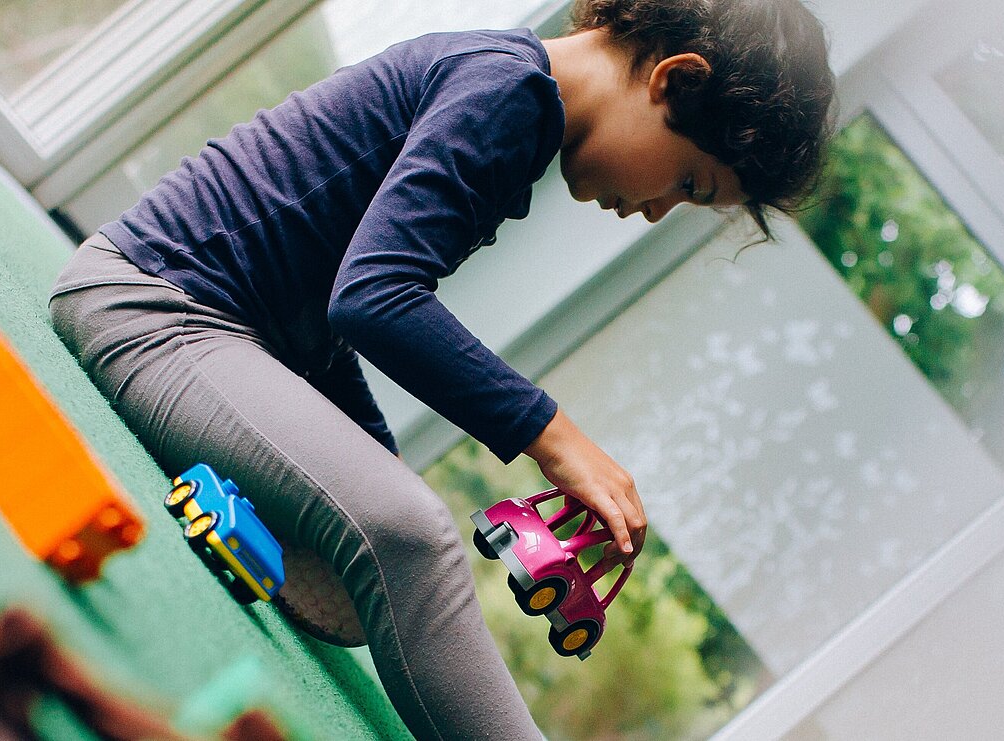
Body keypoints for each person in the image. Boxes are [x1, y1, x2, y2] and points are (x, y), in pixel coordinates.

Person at [49, 0, 834, 737]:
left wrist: (373, 456)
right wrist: (555, 437)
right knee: (412, 536)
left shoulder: (514, 98)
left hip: (242, 327)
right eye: (689, 182)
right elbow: (373, 296)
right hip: (154, 303)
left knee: (371, 561)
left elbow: (328, 292)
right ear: (675, 80)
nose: (659, 208)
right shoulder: (508, 93)